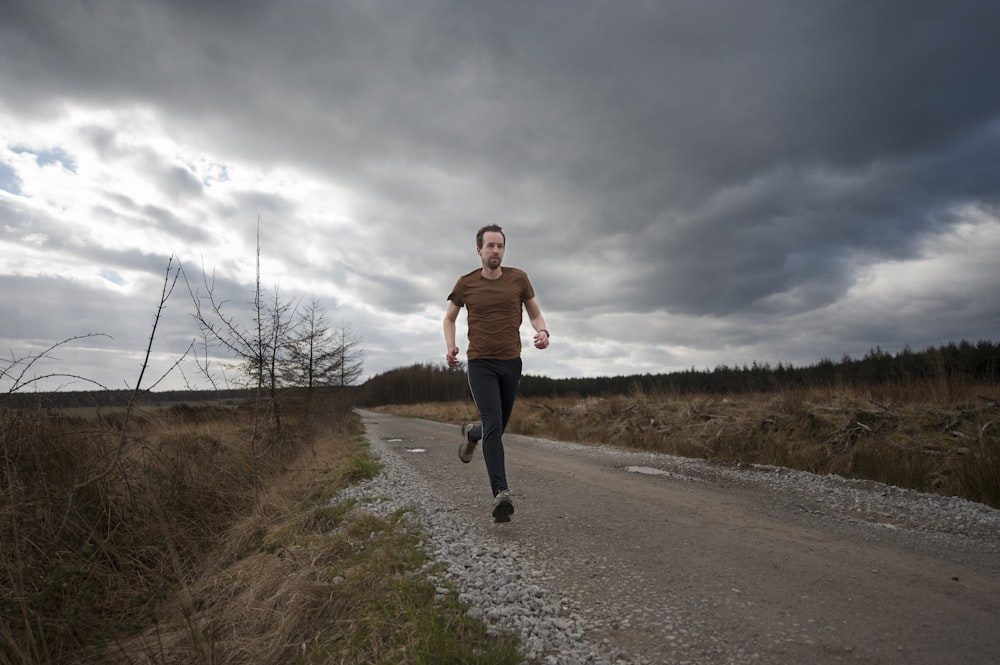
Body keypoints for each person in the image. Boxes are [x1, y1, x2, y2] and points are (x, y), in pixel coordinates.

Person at [444, 224, 550, 522]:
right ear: (479, 250)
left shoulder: (519, 278)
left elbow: (534, 312)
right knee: (493, 422)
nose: (495, 251)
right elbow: (449, 319)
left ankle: (471, 433)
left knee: (496, 427)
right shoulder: (466, 283)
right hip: (480, 363)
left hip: (510, 362)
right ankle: (501, 493)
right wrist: (451, 346)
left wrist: (542, 332)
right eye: (490, 246)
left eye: (500, 246)